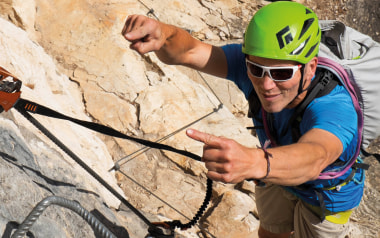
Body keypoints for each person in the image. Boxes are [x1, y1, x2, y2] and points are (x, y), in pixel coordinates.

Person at [121, 2, 365, 237]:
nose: (266, 85)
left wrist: (254, 162)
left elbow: (316, 155)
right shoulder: (255, 63)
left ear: (310, 68)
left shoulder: (335, 107)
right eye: (256, 69)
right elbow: (191, 51)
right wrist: (164, 34)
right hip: (273, 167)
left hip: (326, 197)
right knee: (269, 233)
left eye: (281, 73)